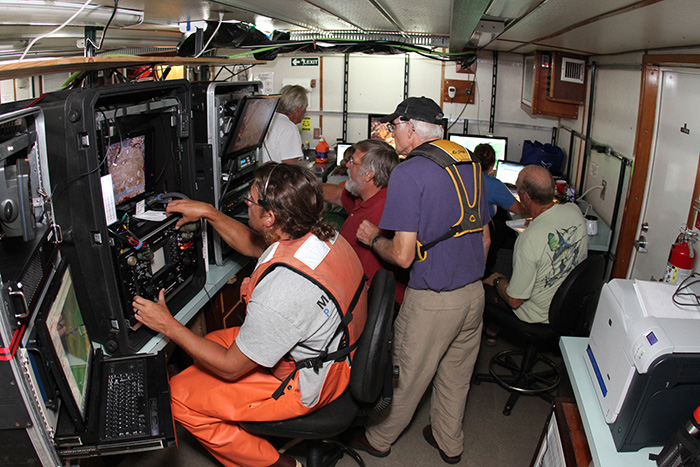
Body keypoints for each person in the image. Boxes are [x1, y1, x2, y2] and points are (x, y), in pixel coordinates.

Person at [131, 162, 368, 467]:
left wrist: (169, 325)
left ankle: (275, 463)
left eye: (251, 199)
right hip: (334, 349)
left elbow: (231, 368)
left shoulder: (282, 289)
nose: (246, 202)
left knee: (176, 395)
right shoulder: (322, 235)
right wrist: (209, 212)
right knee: (212, 341)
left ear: (270, 217)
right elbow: (254, 245)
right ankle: (241, 417)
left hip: (309, 382)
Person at [350, 97, 491, 464]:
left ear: (410, 126)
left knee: (406, 376)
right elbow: (485, 237)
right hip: (474, 295)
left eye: (393, 126)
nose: (391, 133)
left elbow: (402, 256)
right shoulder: (470, 161)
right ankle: (449, 442)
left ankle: (379, 438)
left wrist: (372, 239)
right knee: (456, 375)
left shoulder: (409, 172)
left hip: (433, 298)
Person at [482, 165, 587, 337]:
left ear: (525, 196)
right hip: (568, 307)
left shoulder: (528, 239)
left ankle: (490, 334)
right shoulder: (574, 211)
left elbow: (515, 301)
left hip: (536, 317)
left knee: (481, 288)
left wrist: (497, 281)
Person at [323, 139, 407, 304]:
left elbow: (367, 288)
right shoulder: (367, 197)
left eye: (353, 162)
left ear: (368, 175)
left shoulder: (381, 215)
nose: (347, 165)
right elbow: (336, 194)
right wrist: (303, 187)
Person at [472, 143, 528, 276]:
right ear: (492, 166)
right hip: (483, 233)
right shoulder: (494, 185)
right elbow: (519, 210)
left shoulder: (464, 178)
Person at [262, 85, 308, 163]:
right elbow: (291, 165)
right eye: (305, 108)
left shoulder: (266, 119)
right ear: (298, 110)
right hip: (277, 174)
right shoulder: (289, 128)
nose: (305, 112)